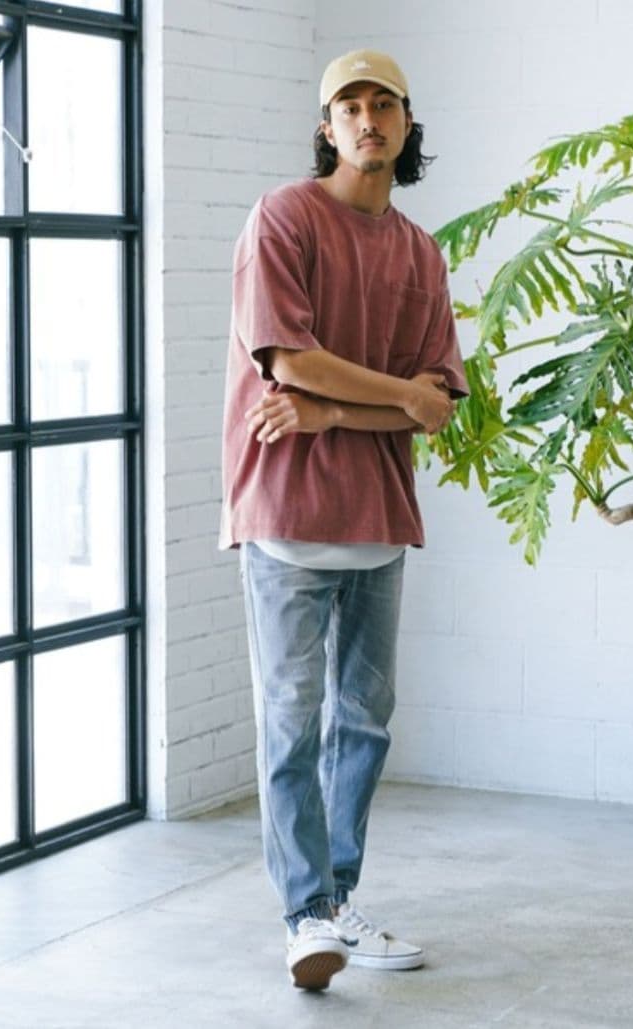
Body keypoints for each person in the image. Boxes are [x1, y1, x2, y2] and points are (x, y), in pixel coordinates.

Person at [219, 48, 468, 990]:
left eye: (385, 104)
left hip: (378, 518)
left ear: (407, 123)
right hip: (286, 513)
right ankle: (305, 915)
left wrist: (329, 413)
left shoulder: (421, 253)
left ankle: (337, 897)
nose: (369, 120)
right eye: (350, 106)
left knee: (364, 723)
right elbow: (289, 361)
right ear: (327, 127)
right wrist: (384, 396)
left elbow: (435, 406)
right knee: (291, 720)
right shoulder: (283, 217)